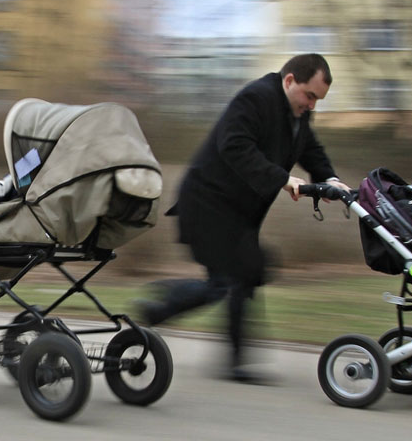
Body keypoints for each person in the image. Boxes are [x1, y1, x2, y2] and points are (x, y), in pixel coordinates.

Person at [138, 53, 350, 383]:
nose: (312, 105)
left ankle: (163, 308)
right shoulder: (256, 98)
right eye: (310, 96)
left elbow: (309, 149)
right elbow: (234, 146)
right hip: (208, 204)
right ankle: (169, 310)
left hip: (237, 214)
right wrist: (282, 179)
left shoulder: (297, 112)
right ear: (290, 81)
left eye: (317, 100)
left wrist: (330, 180)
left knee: (249, 272)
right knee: (230, 280)